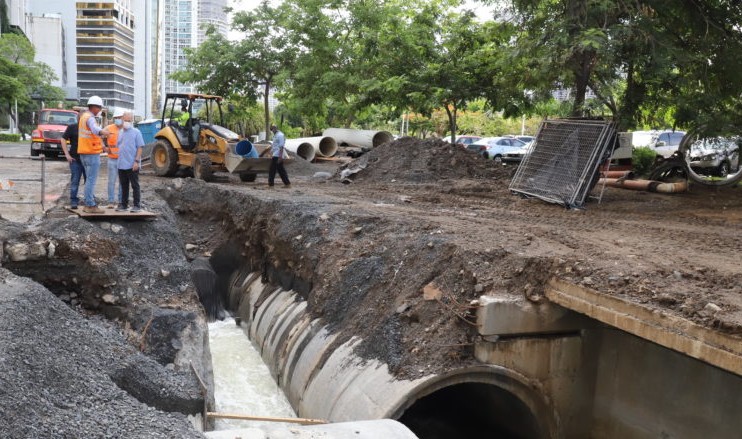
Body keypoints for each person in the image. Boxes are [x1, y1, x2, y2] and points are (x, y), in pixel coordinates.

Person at [77, 95, 110, 214]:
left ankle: (88, 204)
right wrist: (104, 132)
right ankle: (90, 205)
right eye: (99, 108)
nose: (100, 110)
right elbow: (95, 130)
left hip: (84, 152)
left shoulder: (83, 117)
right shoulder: (90, 118)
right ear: (94, 107)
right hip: (91, 153)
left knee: (88, 179)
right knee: (91, 180)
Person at [115, 111, 145, 212]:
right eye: (125, 120)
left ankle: (137, 205)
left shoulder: (136, 132)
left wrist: (136, 161)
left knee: (135, 185)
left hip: (132, 164)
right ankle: (124, 204)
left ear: (132, 121)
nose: (127, 122)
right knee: (124, 185)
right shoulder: (121, 132)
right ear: (122, 120)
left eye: (129, 120)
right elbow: (119, 145)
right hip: (121, 163)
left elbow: (140, 147)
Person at [60, 114, 85, 209]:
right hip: (75, 159)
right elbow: (63, 139)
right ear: (78, 118)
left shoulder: (90, 129)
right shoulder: (72, 127)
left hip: (87, 160)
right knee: (75, 181)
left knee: (89, 181)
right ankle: (73, 200)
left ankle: (89, 200)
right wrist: (67, 154)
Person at [103, 109, 124, 207]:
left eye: (119, 118)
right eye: (116, 118)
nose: (117, 119)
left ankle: (120, 201)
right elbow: (98, 136)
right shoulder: (109, 128)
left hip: (123, 160)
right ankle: (111, 201)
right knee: (111, 181)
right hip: (112, 159)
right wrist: (104, 147)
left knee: (122, 182)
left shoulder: (126, 129)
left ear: (123, 118)